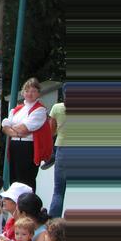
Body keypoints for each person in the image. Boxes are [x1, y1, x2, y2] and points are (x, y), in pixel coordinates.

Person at [1, 78, 51, 190]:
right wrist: (17, 133)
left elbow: (24, 128)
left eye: (33, 91)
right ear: (23, 93)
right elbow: (4, 127)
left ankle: (28, 206)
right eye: (27, 91)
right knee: (14, 180)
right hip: (15, 146)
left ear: (38, 93)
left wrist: (12, 128)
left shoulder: (40, 110)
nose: (29, 94)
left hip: (28, 147)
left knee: (26, 181)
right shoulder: (16, 109)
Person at [48, 86, 67, 217]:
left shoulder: (57, 108)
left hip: (63, 148)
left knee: (59, 190)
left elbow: (51, 130)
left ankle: (53, 223)